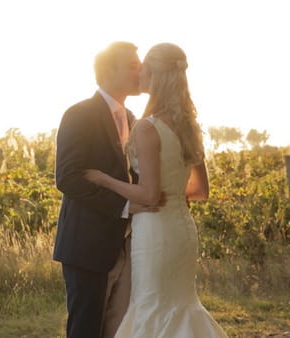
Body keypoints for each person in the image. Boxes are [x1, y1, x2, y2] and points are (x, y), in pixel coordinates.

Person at [84, 43, 228, 337]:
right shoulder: (188, 125)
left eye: (144, 66)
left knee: (153, 307)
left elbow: (149, 196)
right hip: (181, 230)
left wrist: (104, 180)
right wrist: (172, 192)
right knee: (181, 305)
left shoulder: (147, 127)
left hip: (155, 231)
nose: (139, 72)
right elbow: (200, 190)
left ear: (155, 75)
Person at [54, 41, 161, 338]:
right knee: (86, 327)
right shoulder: (80, 114)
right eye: (131, 65)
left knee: (117, 326)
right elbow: (68, 177)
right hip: (86, 244)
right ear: (108, 72)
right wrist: (124, 206)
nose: (139, 70)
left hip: (127, 243)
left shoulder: (131, 119)